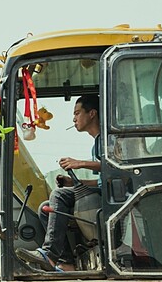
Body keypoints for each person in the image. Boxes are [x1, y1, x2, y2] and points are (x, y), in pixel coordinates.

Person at [17, 94, 101, 272]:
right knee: (45, 208)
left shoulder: (109, 139)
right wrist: (72, 181)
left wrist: (80, 163)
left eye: (77, 113)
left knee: (59, 195)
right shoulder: (97, 145)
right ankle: (67, 261)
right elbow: (103, 181)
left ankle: (49, 253)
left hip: (114, 196)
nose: (74, 118)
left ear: (92, 113)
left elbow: (118, 171)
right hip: (104, 191)